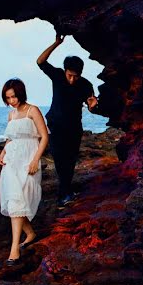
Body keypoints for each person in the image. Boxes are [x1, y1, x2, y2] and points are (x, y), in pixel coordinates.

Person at [37, 33, 100, 207]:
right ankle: (63, 194)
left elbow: (91, 108)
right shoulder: (57, 75)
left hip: (74, 127)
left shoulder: (86, 85)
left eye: (76, 76)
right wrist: (56, 43)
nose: (72, 80)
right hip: (56, 124)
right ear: (65, 71)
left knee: (70, 160)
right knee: (59, 158)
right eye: (70, 75)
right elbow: (40, 62)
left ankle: (65, 193)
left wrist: (94, 105)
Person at [0, 78, 49, 265]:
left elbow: (44, 137)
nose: (12, 100)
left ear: (21, 93)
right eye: (8, 98)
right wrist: (3, 152)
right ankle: (19, 243)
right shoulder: (11, 115)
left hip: (28, 159)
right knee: (14, 201)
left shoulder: (32, 110)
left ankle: (23, 239)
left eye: (13, 96)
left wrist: (36, 160)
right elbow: (11, 138)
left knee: (22, 198)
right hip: (12, 160)